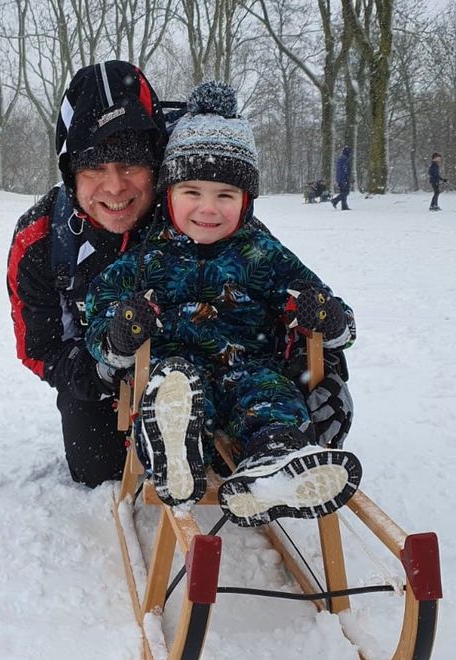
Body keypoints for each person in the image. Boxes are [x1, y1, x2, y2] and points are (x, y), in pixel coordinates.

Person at [84, 81, 360, 527]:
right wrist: (120, 332)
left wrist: (326, 317)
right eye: (192, 192)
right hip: (176, 370)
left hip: (250, 367)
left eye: (225, 195)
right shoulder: (145, 258)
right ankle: (177, 451)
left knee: (272, 397)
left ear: (246, 200)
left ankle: (274, 462)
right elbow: (100, 314)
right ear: (169, 194)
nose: (208, 209)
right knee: (174, 391)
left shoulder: (262, 253)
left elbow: (331, 310)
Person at [6, 60, 168, 489]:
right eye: (94, 168)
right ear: (70, 172)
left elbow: (266, 276)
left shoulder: (196, 208)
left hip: (202, 365)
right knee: (97, 470)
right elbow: (39, 347)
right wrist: (100, 370)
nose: (114, 187)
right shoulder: (40, 239)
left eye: (131, 164)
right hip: (98, 375)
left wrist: (315, 357)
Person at [331, 145, 352, 210]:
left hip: (340, 178)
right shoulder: (345, 159)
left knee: (343, 192)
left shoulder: (341, 158)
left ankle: (344, 206)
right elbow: (345, 169)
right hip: (343, 178)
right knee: (345, 192)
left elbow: (340, 169)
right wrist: (347, 177)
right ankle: (335, 200)